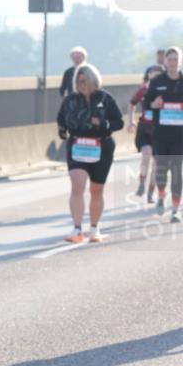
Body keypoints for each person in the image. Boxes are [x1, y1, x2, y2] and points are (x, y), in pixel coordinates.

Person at [56, 63, 124, 242]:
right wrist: (62, 129)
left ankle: (94, 229)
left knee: (96, 190)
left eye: (85, 80)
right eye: (79, 81)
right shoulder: (71, 100)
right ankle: (77, 229)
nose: (82, 84)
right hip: (78, 146)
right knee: (77, 185)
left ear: (94, 80)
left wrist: (103, 124)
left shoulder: (105, 98)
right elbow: (61, 118)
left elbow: (119, 122)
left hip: (102, 147)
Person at [144, 46, 183, 223]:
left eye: (176, 59)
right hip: (161, 133)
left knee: (176, 169)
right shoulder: (157, 81)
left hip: (179, 135)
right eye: (170, 59)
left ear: (180, 61)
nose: (173, 62)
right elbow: (146, 104)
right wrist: (154, 104)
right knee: (161, 168)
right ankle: (161, 193)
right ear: (165, 62)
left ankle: (175, 209)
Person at [127, 64, 164, 203]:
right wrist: (130, 121)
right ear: (147, 75)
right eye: (152, 72)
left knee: (156, 163)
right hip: (144, 129)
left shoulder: (167, 91)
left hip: (160, 130)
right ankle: (142, 182)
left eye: (158, 72)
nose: (154, 74)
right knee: (146, 153)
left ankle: (150, 191)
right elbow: (132, 104)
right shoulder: (142, 90)